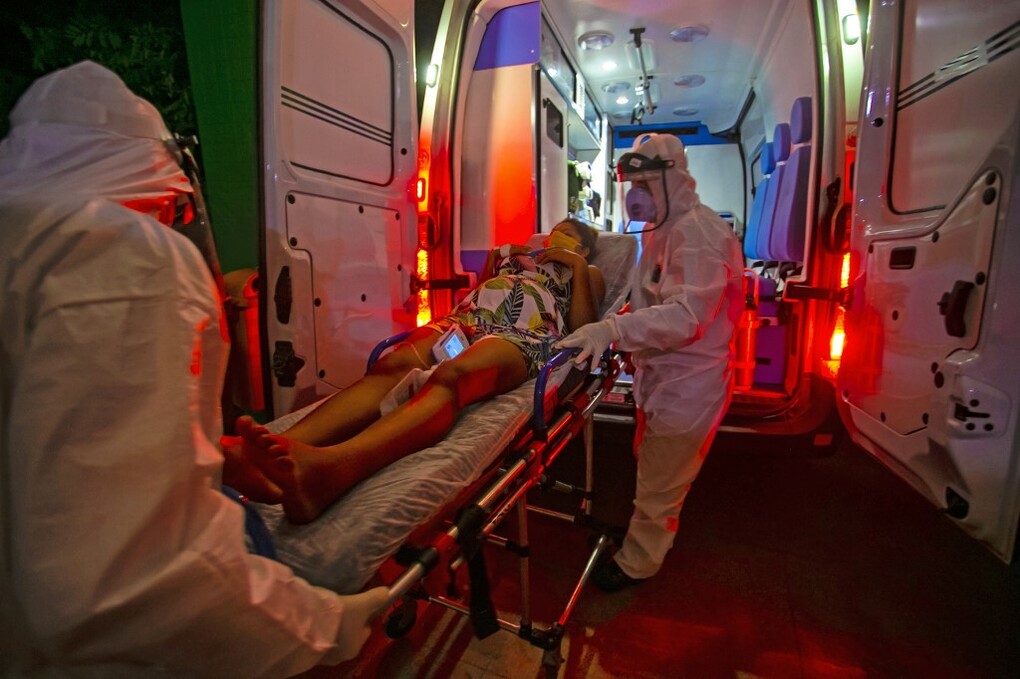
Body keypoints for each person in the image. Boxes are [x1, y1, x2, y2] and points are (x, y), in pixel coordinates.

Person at [0, 61, 388, 677]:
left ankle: (307, 468)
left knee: (429, 378)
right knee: (429, 380)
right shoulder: (118, 252)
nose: (168, 221)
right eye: (167, 209)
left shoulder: (26, 236)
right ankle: (318, 471)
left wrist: (204, 452)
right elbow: (128, 571)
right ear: (150, 181)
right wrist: (327, 627)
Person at [226, 218, 605, 525]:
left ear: (584, 247)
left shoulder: (584, 270)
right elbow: (481, 289)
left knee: (452, 376)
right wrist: (499, 259)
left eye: (565, 234)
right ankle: (271, 452)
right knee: (394, 364)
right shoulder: (520, 257)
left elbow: (583, 328)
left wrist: (573, 264)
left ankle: (331, 470)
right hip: (468, 317)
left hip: (525, 332)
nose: (554, 236)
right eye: (553, 231)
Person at [558, 133, 744, 592]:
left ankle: (636, 564)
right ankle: (641, 536)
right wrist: (622, 321)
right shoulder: (663, 231)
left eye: (645, 184)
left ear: (672, 179)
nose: (635, 195)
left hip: (690, 384)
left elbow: (686, 317)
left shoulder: (698, 234)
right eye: (632, 185)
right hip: (662, 376)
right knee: (652, 464)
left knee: (662, 482)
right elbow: (652, 301)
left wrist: (614, 331)